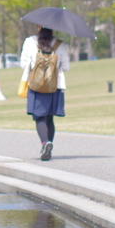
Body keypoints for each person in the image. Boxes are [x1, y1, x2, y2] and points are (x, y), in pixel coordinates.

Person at [20, 26, 70, 161]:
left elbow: (23, 63)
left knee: (39, 117)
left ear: (38, 27)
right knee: (49, 118)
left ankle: (45, 143)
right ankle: (49, 145)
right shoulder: (60, 44)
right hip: (55, 86)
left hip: (36, 85)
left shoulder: (30, 41)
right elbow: (66, 67)